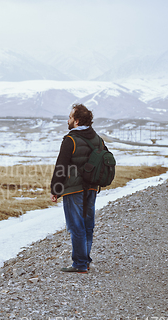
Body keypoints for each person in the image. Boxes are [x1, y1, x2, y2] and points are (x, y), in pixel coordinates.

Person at [50, 104, 108, 273]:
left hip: (74, 189)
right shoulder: (98, 139)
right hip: (91, 188)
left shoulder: (71, 140)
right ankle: (85, 260)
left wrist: (56, 189)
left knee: (76, 226)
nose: (68, 120)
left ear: (76, 121)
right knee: (88, 225)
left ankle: (80, 264)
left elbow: (61, 166)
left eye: (70, 117)